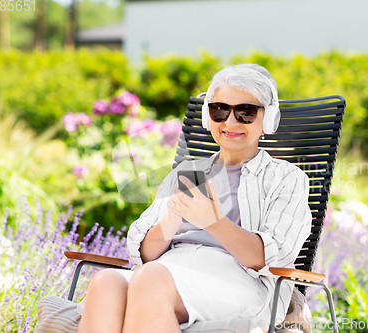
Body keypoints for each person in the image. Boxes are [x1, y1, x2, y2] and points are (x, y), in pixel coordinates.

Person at [77, 64, 312, 333]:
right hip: (166, 270)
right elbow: (145, 254)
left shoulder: (286, 178)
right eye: (220, 110)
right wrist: (172, 218)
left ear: (268, 121)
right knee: (106, 282)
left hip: (240, 284)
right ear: (207, 116)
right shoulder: (188, 172)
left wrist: (213, 221)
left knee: (151, 279)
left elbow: (271, 259)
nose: (230, 122)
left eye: (246, 113)